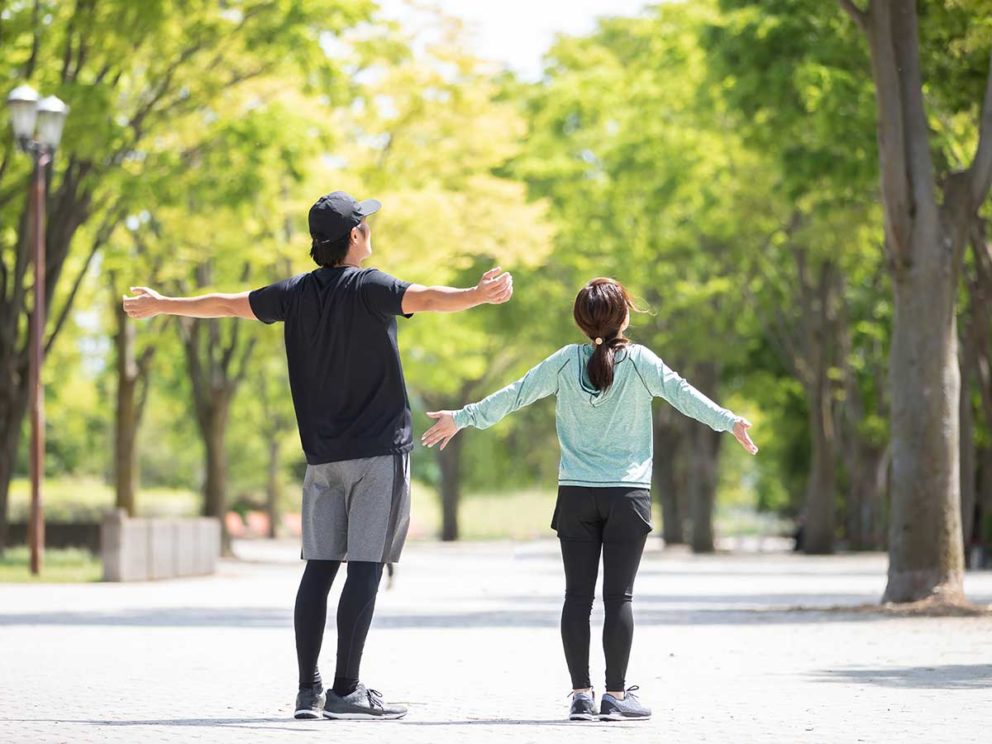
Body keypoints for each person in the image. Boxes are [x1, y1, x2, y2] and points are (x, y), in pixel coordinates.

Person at [123, 191, 513, 721]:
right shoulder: (371, 286)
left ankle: (308, 690)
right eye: (366, 224)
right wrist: (478, 294)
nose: (370, 231)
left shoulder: (294, 294)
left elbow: (227, 304)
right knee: (365, 569)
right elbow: (427, 298)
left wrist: (163, 303)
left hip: (322, 460)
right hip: (378, 457)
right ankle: (346, 691)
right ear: (354, 235)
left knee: (319, 570)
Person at [422, 277, 757, 722]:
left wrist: (462, 417)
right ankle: (615, 696)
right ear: (623, 317)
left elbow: (515, 394)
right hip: (628, 496)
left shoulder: (565, 361)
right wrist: (730, 421)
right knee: (619, 598)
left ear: (581, 322)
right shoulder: (640, 362)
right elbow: (684, 395)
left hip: (576, 496)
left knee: (577, 598)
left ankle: (581, 696)